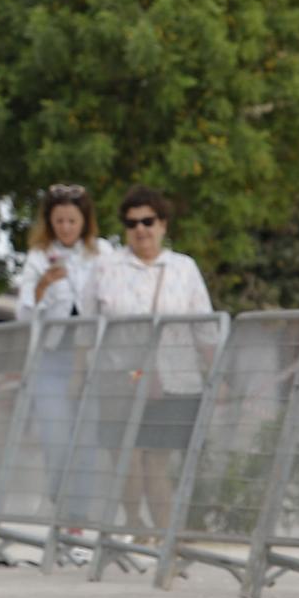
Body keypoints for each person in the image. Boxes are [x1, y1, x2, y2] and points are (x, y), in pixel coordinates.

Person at [88, 185, 214, 534]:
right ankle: (133, 527)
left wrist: (218, 374)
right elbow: (87, 326)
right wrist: (81, 376)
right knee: (128, 456)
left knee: (157, 461)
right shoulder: (105, 268)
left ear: (162, 224)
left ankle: (164, 535)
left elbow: (205, 328)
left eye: (148, 221)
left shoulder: (184, 268)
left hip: (174, 378)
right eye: (132, 223)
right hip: (121, 377)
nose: (140, 229)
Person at [15, 184, 105, 535]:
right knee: (56, 438)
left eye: (72, 220)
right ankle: (60, 500)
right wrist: (42, 287)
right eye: (59, 221)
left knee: (86, 440)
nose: (66, 227)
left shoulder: (102, 254)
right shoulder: (38, 257)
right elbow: (25, 315)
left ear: (85, 221)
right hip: (52, 359)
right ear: (50, 223)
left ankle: (76, 522)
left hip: (89, 357)